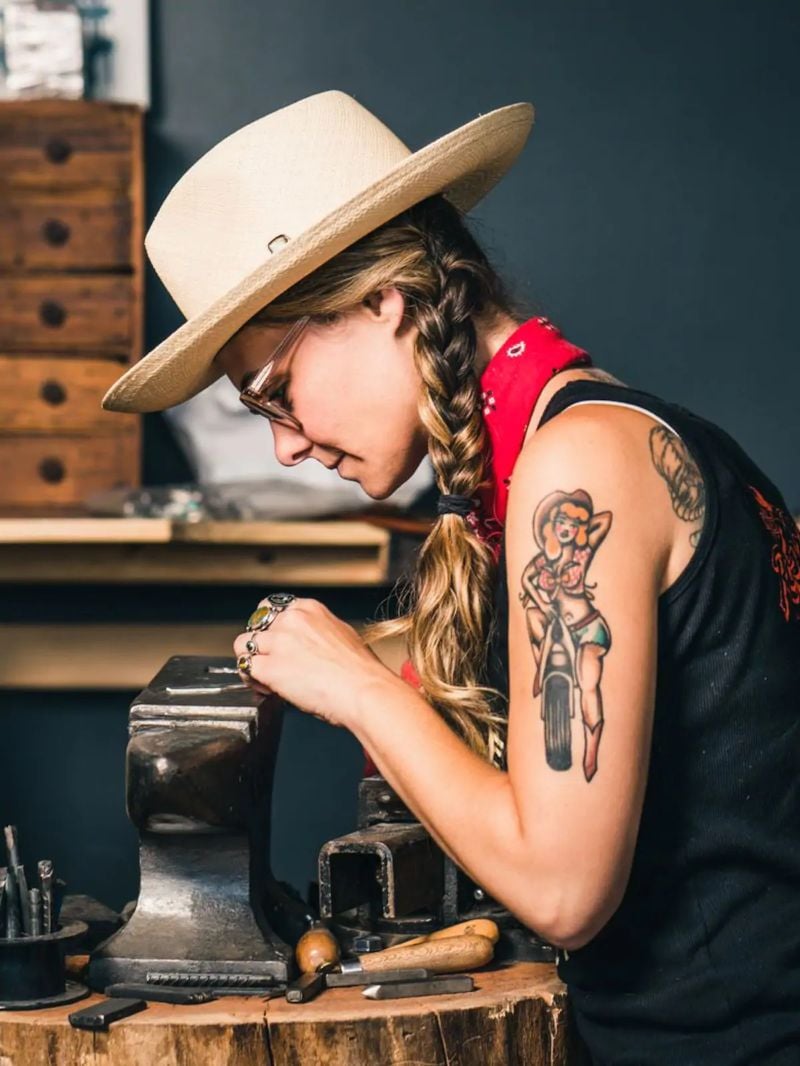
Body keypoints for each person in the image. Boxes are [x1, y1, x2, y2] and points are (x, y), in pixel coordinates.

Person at [102, 91, 800, 1064]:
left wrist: (356, 688)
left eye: (274, 392)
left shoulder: (578, 475)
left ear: (378, 301)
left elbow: (564, 893)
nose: (285, 448)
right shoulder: (594, 445)